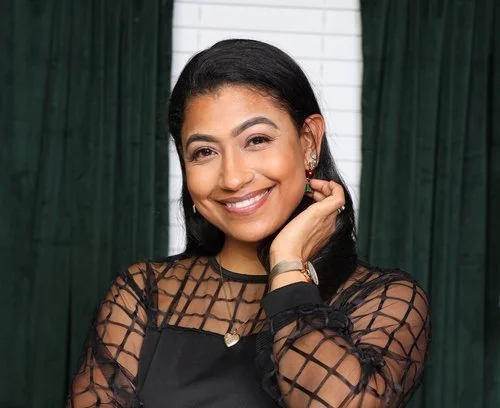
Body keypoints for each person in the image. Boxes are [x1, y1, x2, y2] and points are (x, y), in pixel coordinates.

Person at [68, 39, 430, 407]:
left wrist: (288, 264)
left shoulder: (386, 299)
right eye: (204, 151)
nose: (233, 178)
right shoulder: (143, 293)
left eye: (256, 140)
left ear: (308, 142)